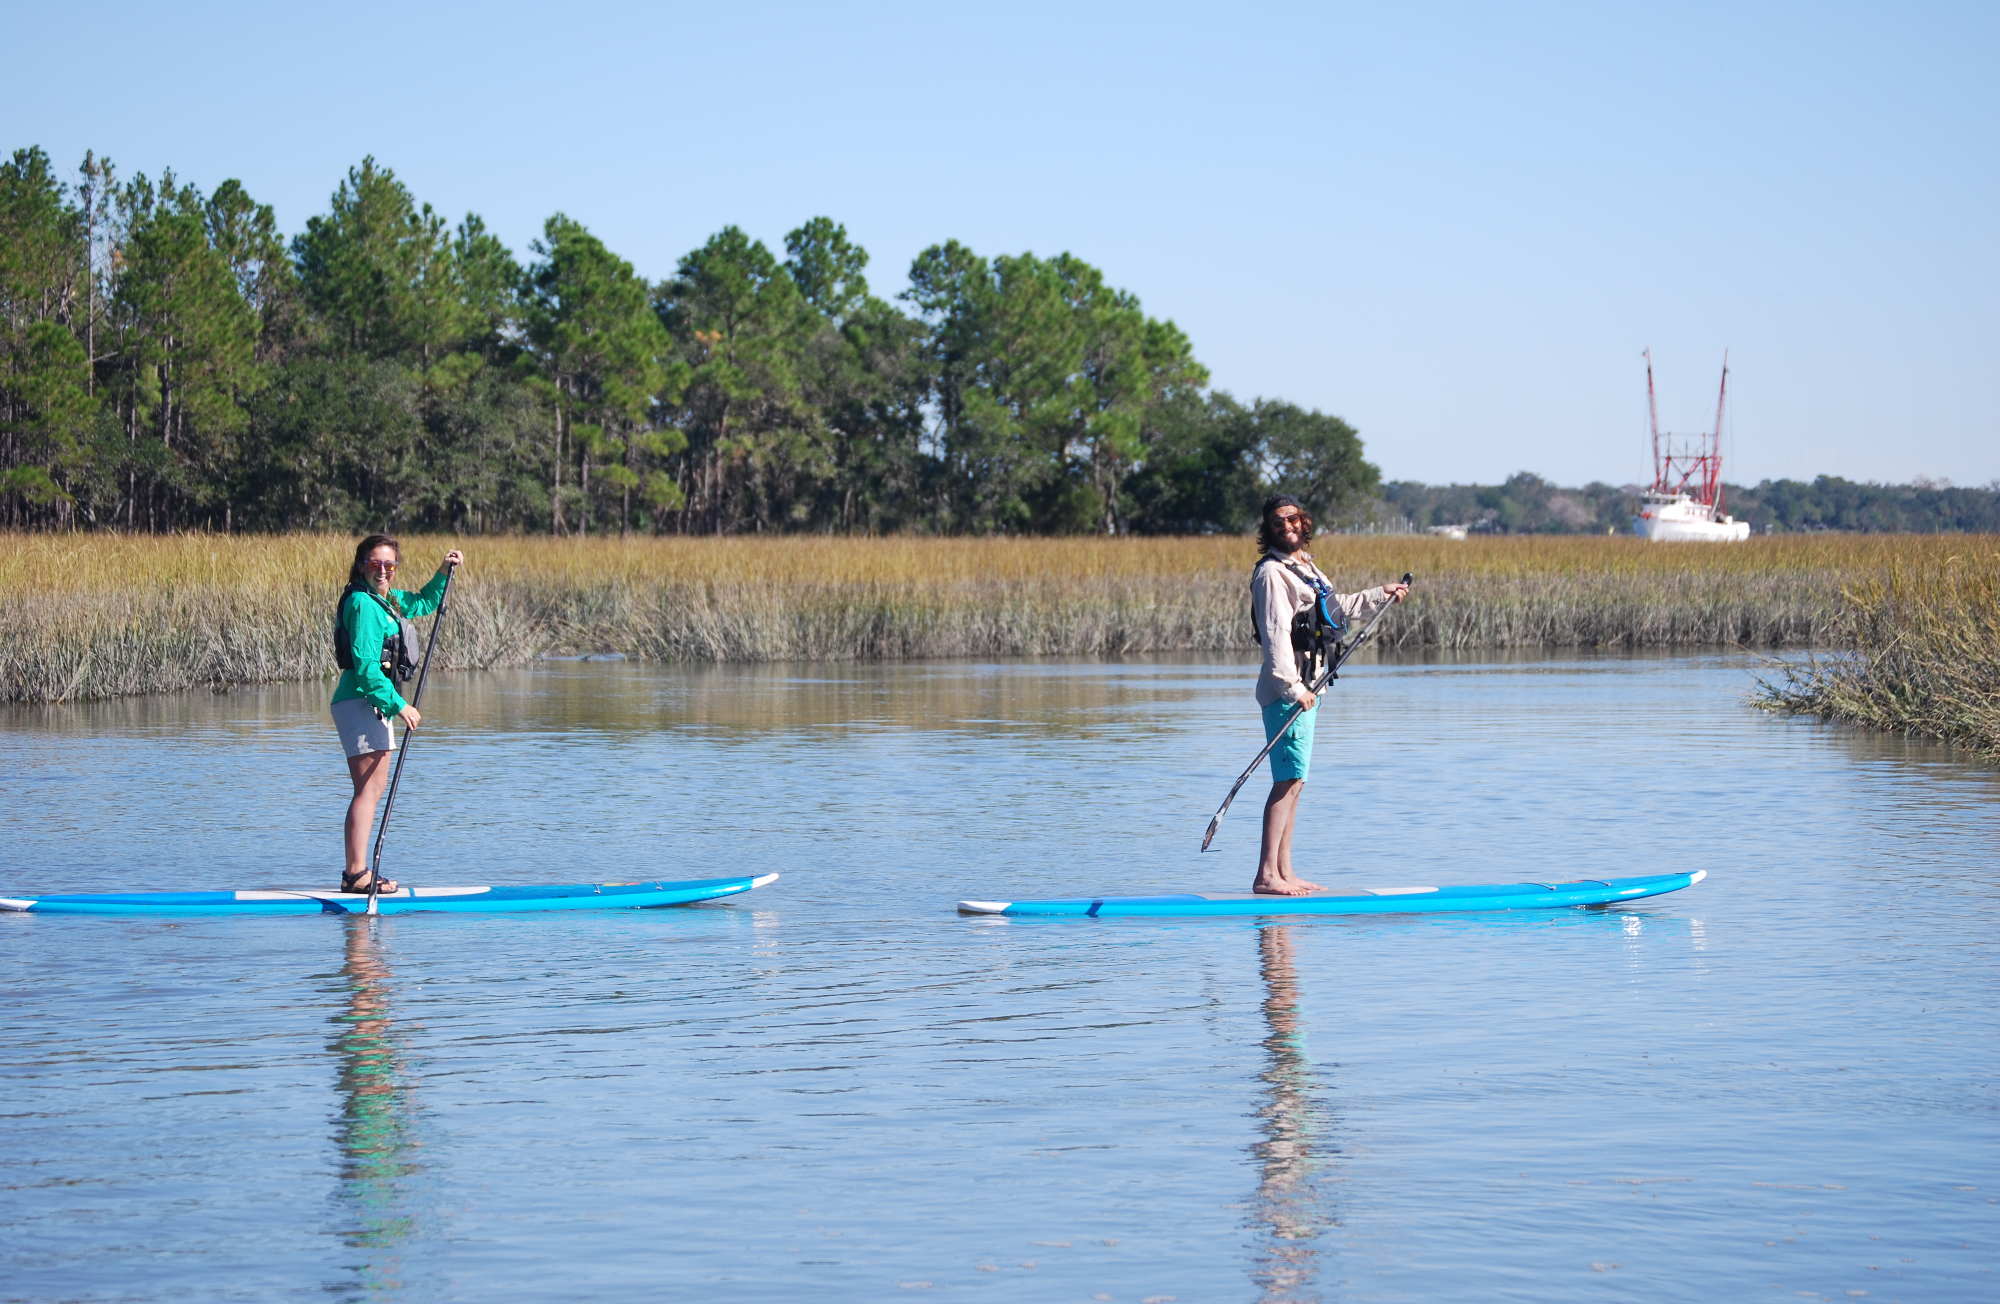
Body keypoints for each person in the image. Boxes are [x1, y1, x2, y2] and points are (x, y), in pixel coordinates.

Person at [1250, 495, 1407, 895]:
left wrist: (1380, 593)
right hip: (1289, 690)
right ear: (1268, 529)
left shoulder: (1307, 568)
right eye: (1277, 522)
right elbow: (1275, 638)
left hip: (1309, 688)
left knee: (1296, 780)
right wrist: (1294, 687)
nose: (1286, 526)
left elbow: (1336, 608)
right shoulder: (1271, 574)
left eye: (1292, 519)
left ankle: (1285, 871)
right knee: (1286, 781)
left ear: (1304, 523)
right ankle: (1267, 875)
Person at [331, 534, 463, 894]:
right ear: (362, 565)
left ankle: (355, 873)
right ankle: (357, 874)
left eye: (390, 565)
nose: (383, 571)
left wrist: (443, 571)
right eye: (376, 564)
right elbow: (366, 668)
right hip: (362, 702)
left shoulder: (384, 600)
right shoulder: (362, 604)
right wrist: (400, 705)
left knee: (369, 791)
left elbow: (423, 603)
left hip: (372, 704)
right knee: (368, 792)